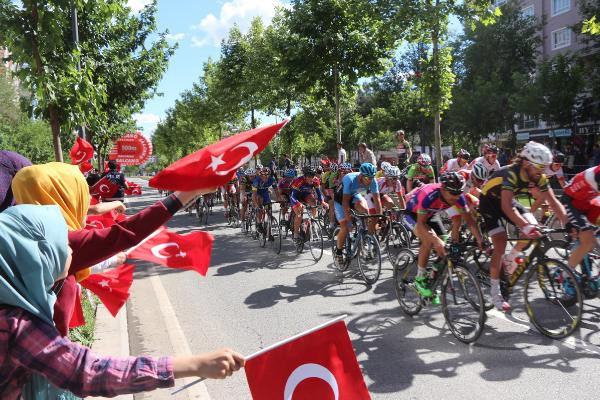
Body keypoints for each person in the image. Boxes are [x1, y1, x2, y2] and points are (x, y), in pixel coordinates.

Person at [0, 204, 244, 399]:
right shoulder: (15, 326)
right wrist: (195, 364)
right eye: (61, 243)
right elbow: (87, 372)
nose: (71, 248)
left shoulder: (16, 300)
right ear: (36, 257)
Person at [479, 141, 567, 311]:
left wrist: (570, 223)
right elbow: (506, 206)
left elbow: (554, 202)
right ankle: (495, 293)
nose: (543, 172)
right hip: (489, 202)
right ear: (527, 163)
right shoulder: (511, 173)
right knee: (500, 243)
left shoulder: (538, 176)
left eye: (544, 168)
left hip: (507, 201)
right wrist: (524, 226)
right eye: (540, 167)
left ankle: (509, 261)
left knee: (534, 227)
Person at [403, 172, 482, 299]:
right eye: (453, 193)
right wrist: (436, 241)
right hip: (412, 214)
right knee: (429, 241)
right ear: (443, 189)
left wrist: (480, 240)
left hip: (431, 214)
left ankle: (432, 277)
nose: (456, 197)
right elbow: (421, 224)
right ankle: (420, 278)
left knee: (445, 245)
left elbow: (469, 221)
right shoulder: (429, 195)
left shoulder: (457, 196)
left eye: (459, 193)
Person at [333, 163, 381, 264]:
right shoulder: (349, 179)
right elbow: (345, 202)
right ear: (361, 175)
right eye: (367, 178)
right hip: (340, 200)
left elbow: (377, 200)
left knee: (366, 211)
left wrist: (379, 217)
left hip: (354, 196)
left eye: (372, 178)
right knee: (345, 227)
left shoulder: (373, 181)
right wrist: (349, 221)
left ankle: (364, 235)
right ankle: (339, 252)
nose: (370, 180)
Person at [560, 164, 600, 277]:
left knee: (592, 239)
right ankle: (563, 276)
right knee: (588, 239)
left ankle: (586, 266)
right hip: (571, 202)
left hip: (588, 201)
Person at [290, 166, 327, 243]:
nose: (311, 178)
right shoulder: (299, 181)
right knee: (299, 214)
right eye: (309, 177)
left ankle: (313, 221)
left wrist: (322, 202)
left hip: (306, 195)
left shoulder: (315, 180)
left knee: (314, 202)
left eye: (312, 176)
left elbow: (319, 194)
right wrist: (298, 203)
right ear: (305, 176)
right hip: (296, 197)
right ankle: (295, 234)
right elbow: (293, 196)